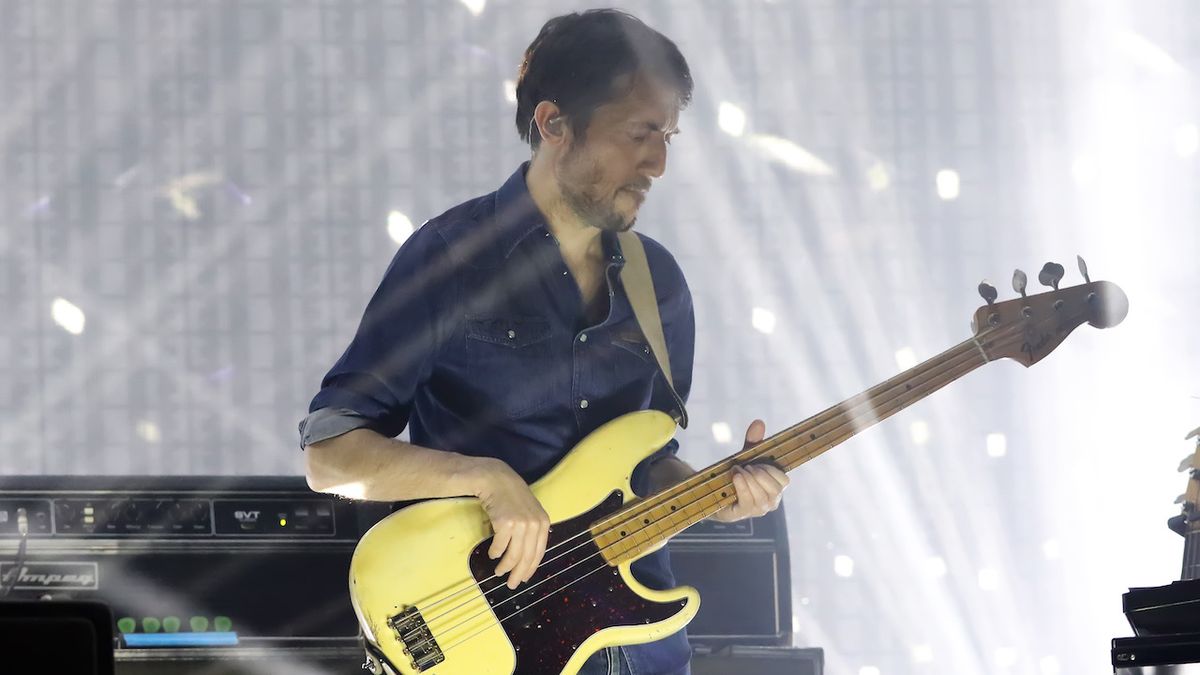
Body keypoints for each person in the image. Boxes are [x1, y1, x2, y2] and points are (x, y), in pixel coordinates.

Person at [299, 9, 789, 675]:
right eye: (640, 132)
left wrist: (718, 494)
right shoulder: (449, 260)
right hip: (489, 646)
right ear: (553, 123)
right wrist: (483, 478)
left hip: (643, 655)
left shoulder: (660, 284)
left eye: (668, 136)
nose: (659, 163)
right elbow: (330, 454)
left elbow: (647, 462)